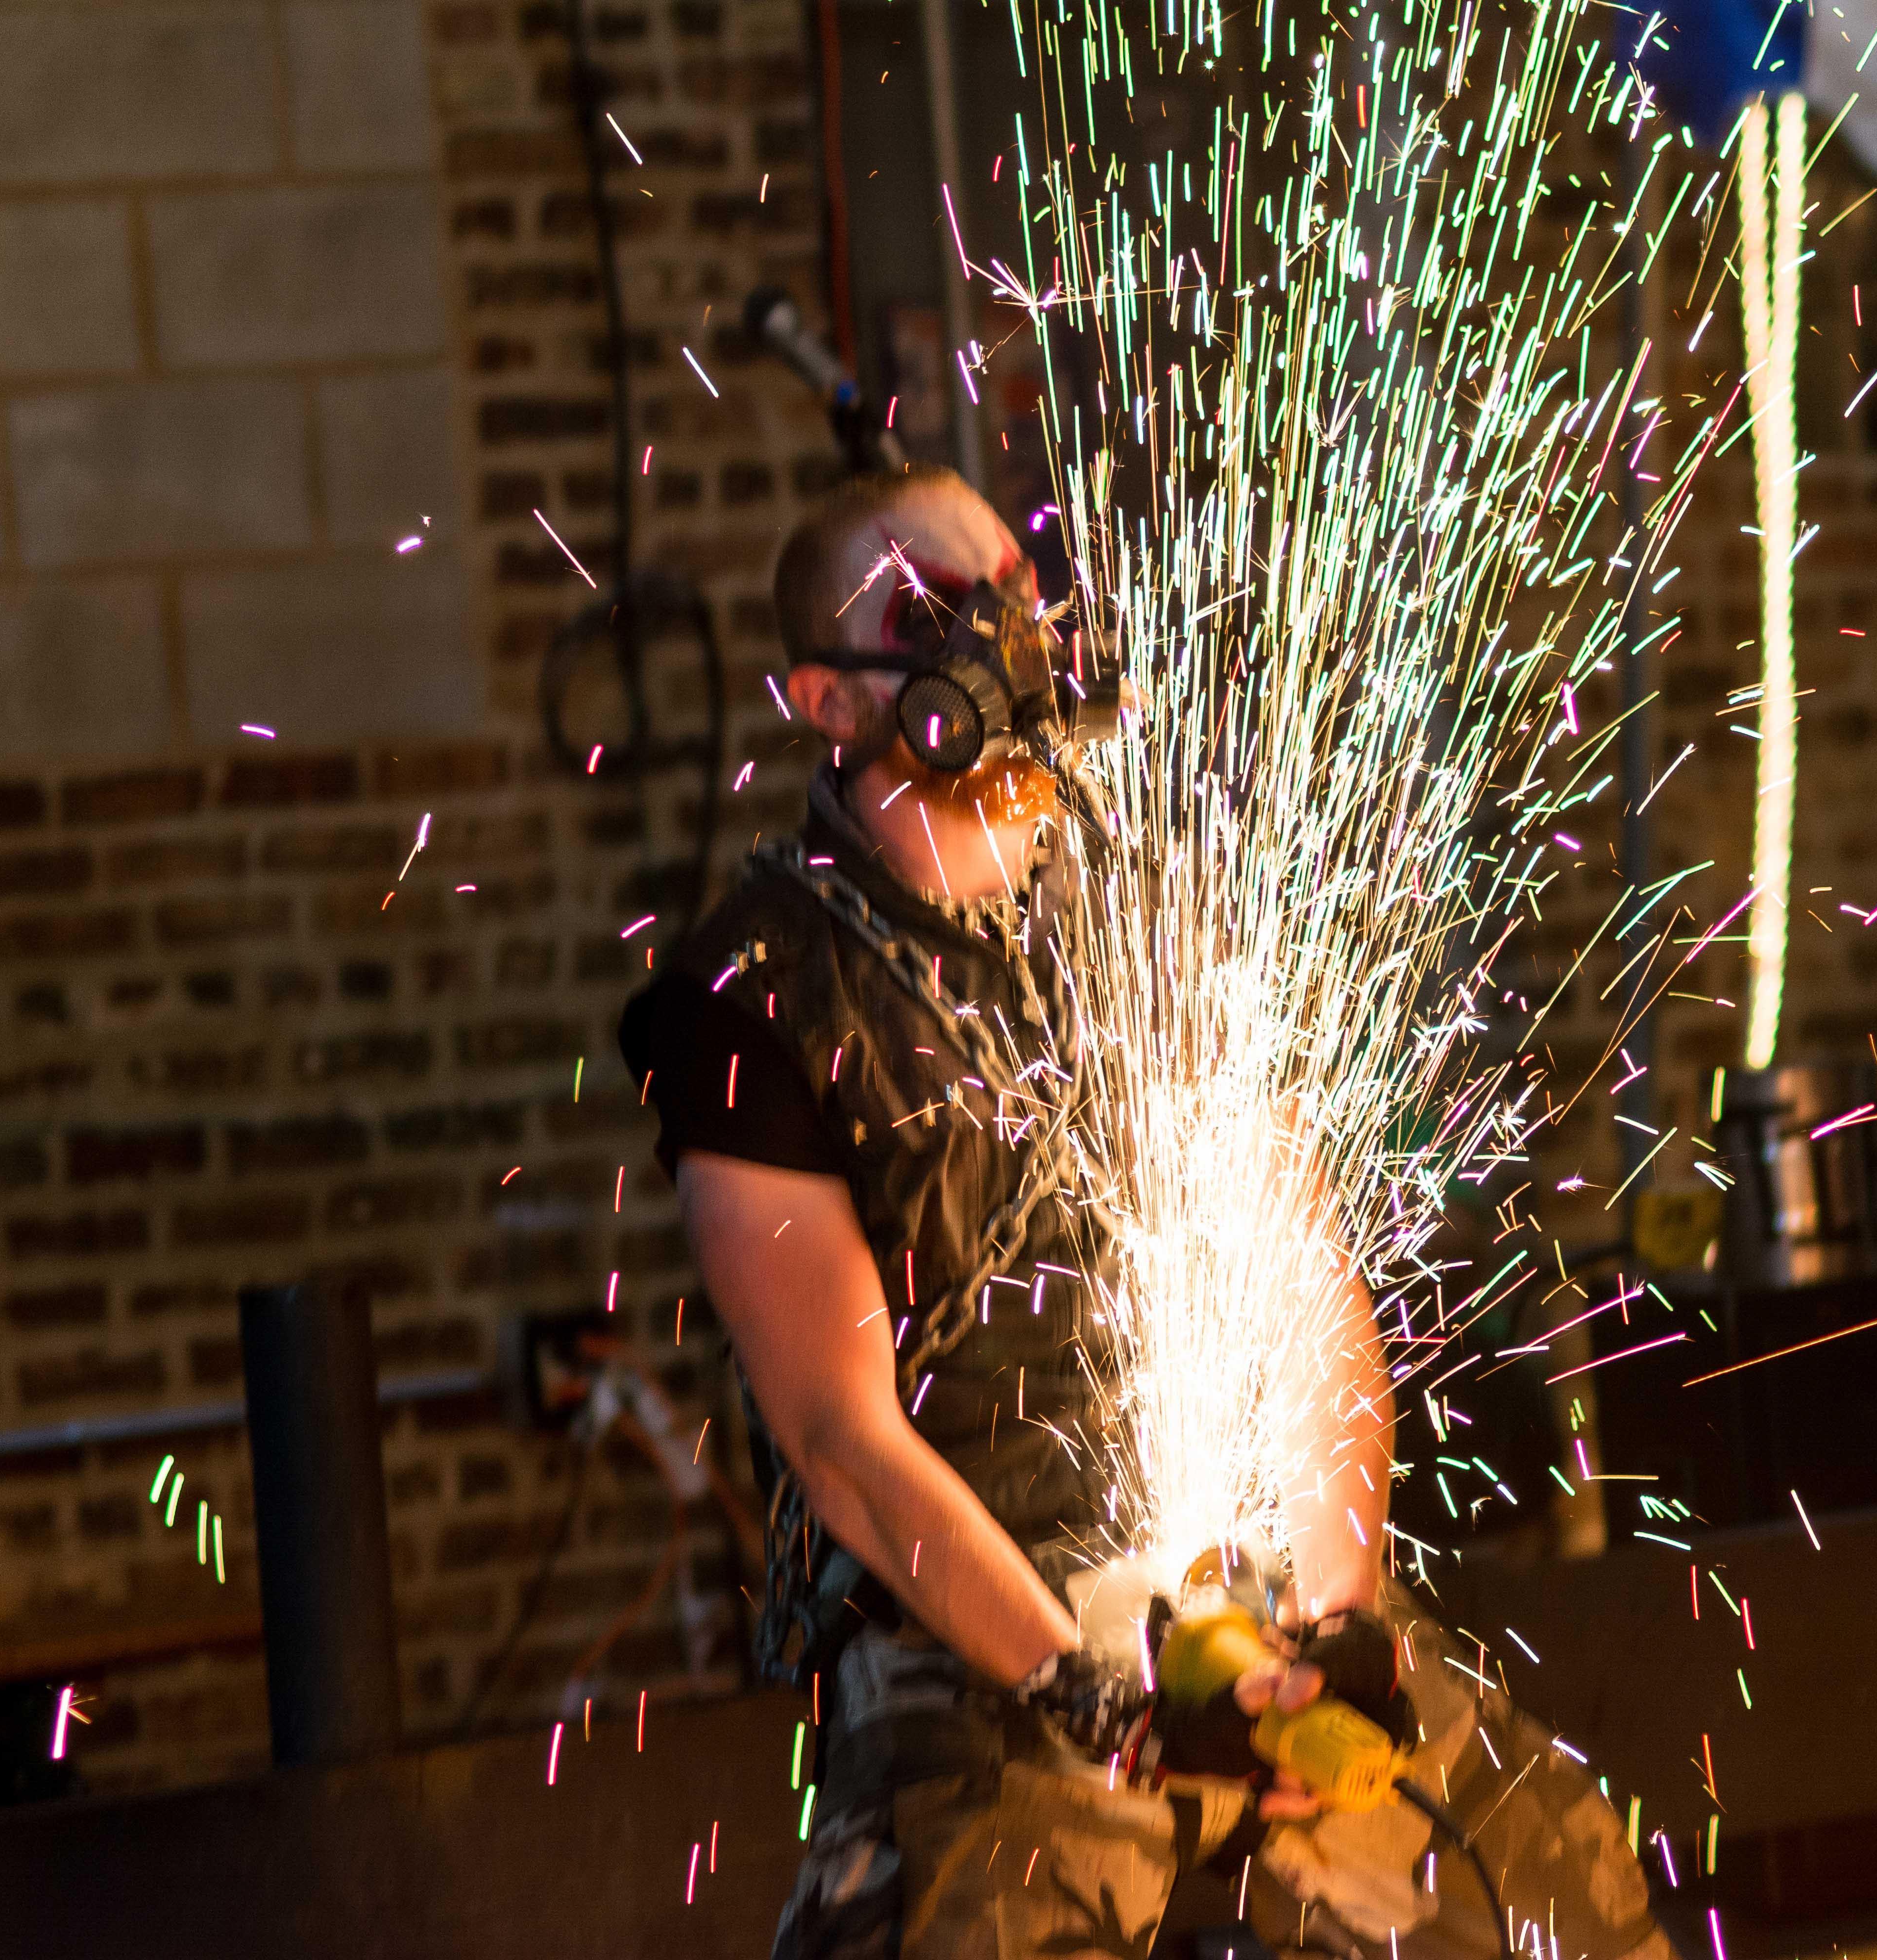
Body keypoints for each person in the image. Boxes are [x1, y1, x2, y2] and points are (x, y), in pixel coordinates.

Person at [620, 465, 1667, 1958]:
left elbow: (1307, 1295)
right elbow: (845, 1448)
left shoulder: (1145, 903)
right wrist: (1080, 1690)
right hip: (975, 1636)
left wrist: (1331, 1632)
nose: (997, 638)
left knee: (1558, 1877)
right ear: (829, 703)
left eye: (1010, 594)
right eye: (930, 611)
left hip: (1234, 1599)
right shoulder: (750, 1000)